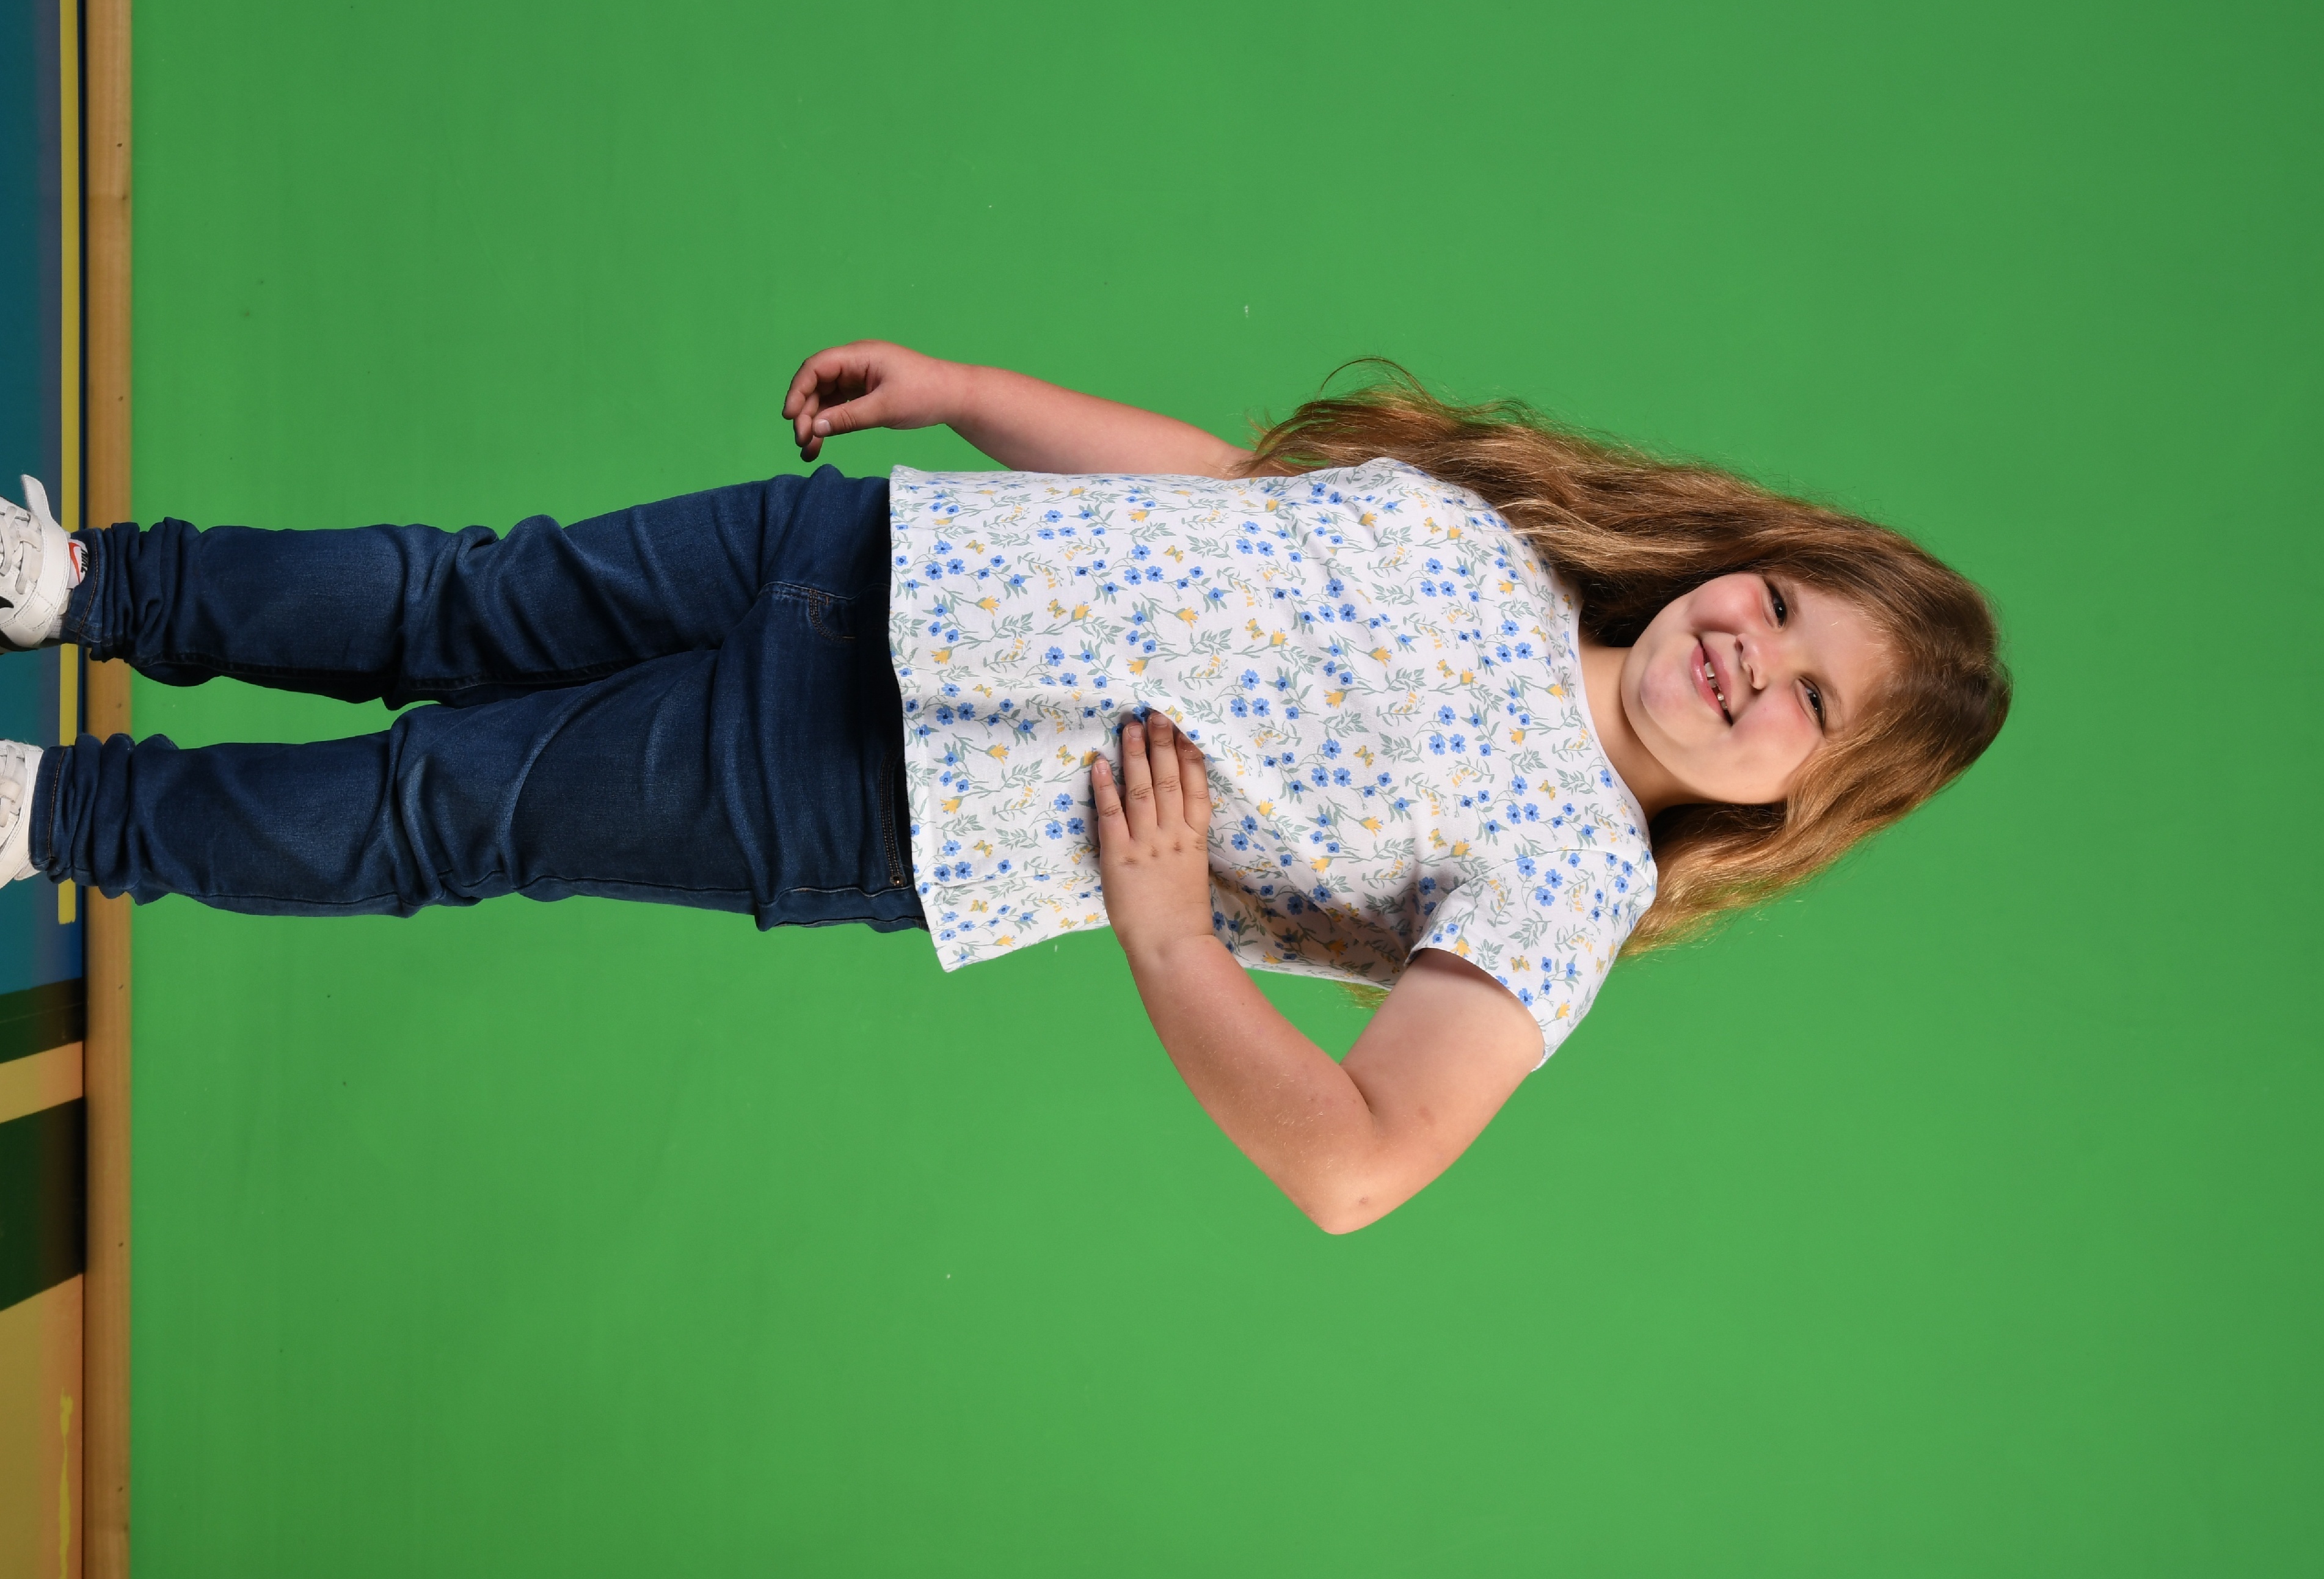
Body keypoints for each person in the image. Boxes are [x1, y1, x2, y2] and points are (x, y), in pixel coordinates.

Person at [0, 341, 2009, 1230]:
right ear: (1739, 556)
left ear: (1797, 804)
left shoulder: (1571, 880)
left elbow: (1358, 1163)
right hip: (863, 554)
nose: (1748, 658)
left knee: (450, 806)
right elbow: (1220, 492)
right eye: (1777, 606)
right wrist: (971, 393)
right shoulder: (1513, 550)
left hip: (877, 790)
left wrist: (1168, 933)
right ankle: (85, 584)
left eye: (1805, 702)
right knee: (468, 590)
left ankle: (48, 817)